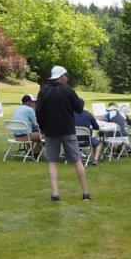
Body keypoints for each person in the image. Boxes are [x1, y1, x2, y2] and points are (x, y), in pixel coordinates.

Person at [36, 65, 91, 201]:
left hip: (50, 131)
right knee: (77, 161)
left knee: (52, 162)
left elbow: (39, 113)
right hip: (68, 130)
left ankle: (55, 193)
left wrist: (43, 128)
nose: (67, 77)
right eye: (66, 75)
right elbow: (79, 109)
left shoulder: (43, 92)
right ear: (61, 77)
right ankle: (85, 193)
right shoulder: (68, 91)